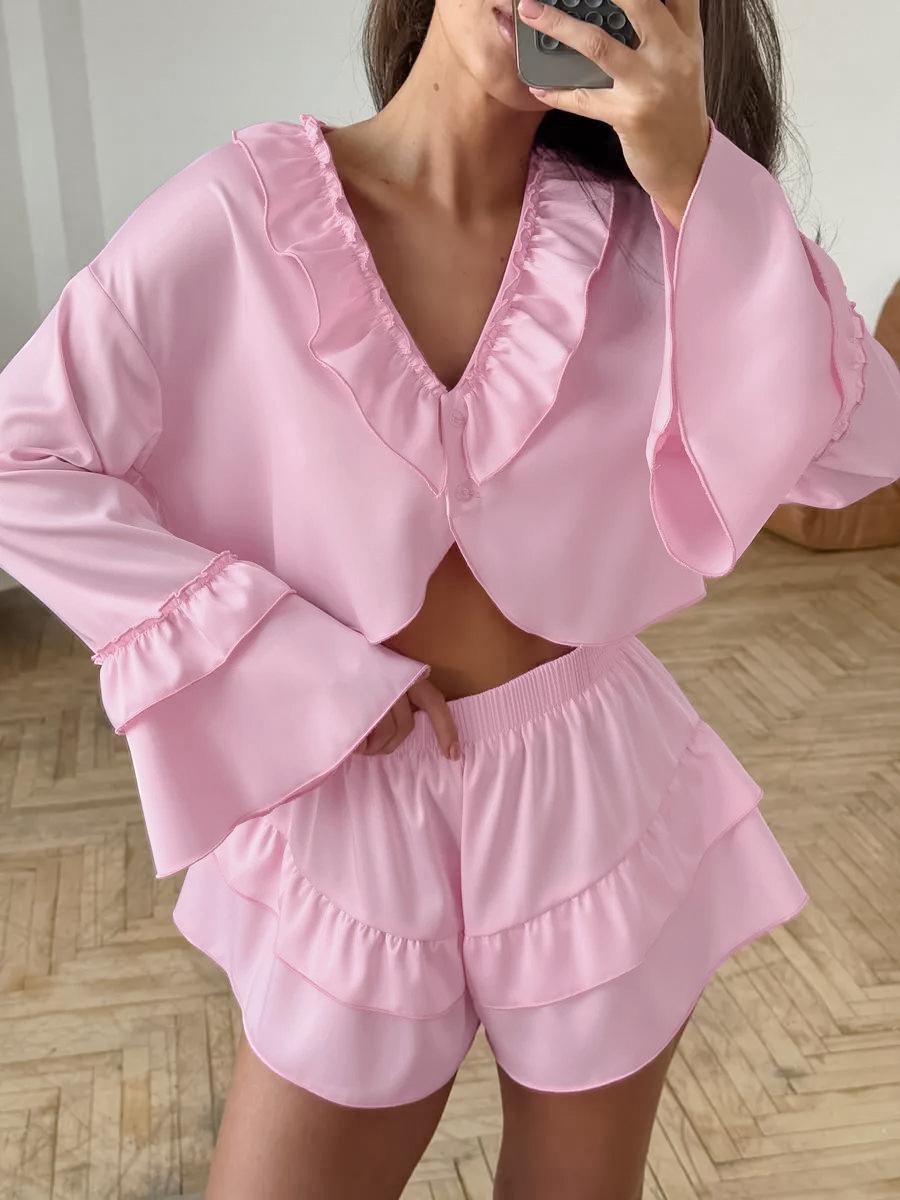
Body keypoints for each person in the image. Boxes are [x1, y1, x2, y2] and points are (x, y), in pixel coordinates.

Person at [1, 0, 899, 1196]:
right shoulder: (239, 218)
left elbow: (863, 442)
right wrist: (284, 667)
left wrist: (696, 181)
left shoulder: (648, 235)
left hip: (591, 785)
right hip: (351, 796)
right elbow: (23, 461)